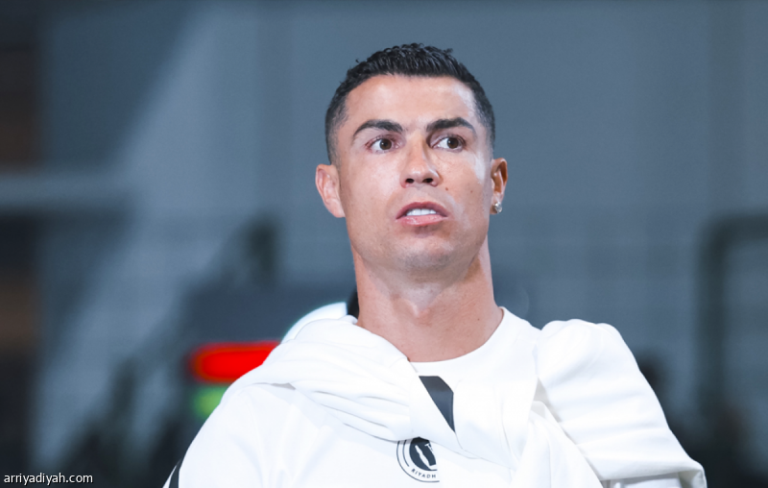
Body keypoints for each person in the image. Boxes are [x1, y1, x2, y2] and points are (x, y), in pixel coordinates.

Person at [164, 44, 705, 488]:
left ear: (496, 183)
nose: (419, 168)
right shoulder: (263, 417)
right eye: (383, 143)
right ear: (332, 189)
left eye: (449, 141)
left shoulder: (588, 386)